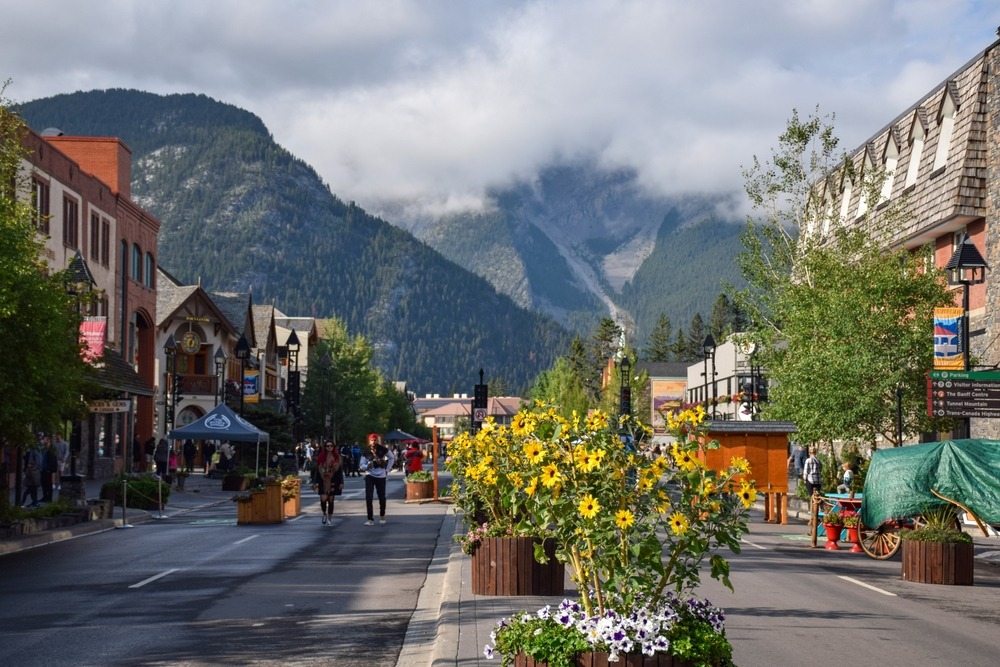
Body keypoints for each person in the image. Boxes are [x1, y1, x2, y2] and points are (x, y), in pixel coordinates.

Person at [361, 433, 395, 526]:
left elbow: (392, 457)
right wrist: (366, 466)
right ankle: (370, 519)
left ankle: (382, 514)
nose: (373, 441)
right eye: (372, 440)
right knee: (369, 497)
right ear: (369, 441)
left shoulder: (383, 449)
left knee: (381, 496)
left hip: (381, 475)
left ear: (377, 440)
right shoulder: (366, 451)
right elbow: (361, 464)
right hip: (370, 475)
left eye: (375, 440)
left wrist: (387, 469)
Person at [311, 441, 344, 525]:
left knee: (331, 500)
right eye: (327, 446)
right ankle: (324, 513)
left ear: (333, 447)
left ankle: (329, 519)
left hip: (334, 479)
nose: (329, 447)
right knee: (323, 498)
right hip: (323, 480)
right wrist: (315, 482)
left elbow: (340, 471)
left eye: (331, 446)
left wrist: (341, 482)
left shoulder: (337, 458)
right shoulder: (321, 457)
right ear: (325, 447)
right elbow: (317, 471)